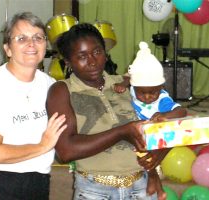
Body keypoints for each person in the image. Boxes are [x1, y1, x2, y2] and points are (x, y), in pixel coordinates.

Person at [46, 23, 169, 200]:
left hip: (140, 187)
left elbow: (166, 124)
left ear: (105, 52)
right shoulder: (62, 90)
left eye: (97, 52)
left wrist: (153, 170)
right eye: (82, 56)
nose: (92, 61)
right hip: (94, 190)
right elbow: (66, 151)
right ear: (68, 62)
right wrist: (122, 132)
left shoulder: (128, 84)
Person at [0, 12, 67, 200]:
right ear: (8, 49)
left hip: (39, 182)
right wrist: (43, 145)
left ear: (46, 45)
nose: (31, 44)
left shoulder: (51, 85)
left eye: (38, 37)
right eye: (21, 38)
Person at [114, 41, 187, 200]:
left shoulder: (162, 99)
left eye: (152, 92)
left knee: (148, 158)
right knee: (143, 157)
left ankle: (154, 181)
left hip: (158, 135)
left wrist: (165, 115)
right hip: (139, 133)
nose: (147, 98)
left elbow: (182, 110)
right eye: (142, 93)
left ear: (161, 86)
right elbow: (128, 79)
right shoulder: (134, 88)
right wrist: (122, 84)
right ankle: (156, 185)